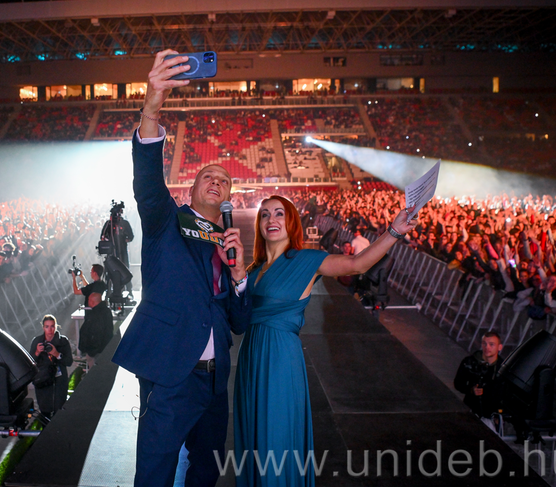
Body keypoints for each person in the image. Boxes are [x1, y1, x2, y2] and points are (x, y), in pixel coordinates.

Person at [112, 49, 251, 487]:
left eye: (224, 180)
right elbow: (147, 180)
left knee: (205, 472)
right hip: (172, 373)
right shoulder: (165, 220)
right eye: (209, 175)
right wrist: (152, 108)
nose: (217, 181)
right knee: (155, 473)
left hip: (214, 382)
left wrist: (239, 277)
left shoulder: (227, 244)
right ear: (191, 189)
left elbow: (239, 323)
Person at [234, 195, 417, 487]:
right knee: (255, 438)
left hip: (280, 360)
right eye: (265, 214)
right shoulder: (253, 269)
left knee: (276, 437)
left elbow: (357, 264)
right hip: (250, 361)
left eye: (279, 213)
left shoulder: (306, 260)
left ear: (292, 222)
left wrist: (393, 232)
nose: (271, 219)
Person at [454, 331, 504, 427]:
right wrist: (471, 390)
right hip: (471, 410)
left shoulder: (503, 368)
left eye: (491, 344)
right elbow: (458, 383)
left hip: (492, 415)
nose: (487, 347)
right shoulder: (469, 362)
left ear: (499, 347)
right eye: (484, 344)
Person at [29, 315, 73, 423]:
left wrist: (57, 354)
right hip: (43, 379)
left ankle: (58, 429)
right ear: (43, 327)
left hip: (59, 380)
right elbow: (30, 363)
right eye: (47, 326)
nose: (50, 330)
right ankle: (45, 430)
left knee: (59, 407)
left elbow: (69, 362)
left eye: (52, 326)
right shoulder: (37, 341)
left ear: (56, 326)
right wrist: (37, 352)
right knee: (44, 409)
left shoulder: (63, 341)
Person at [77, 280, 113, 369]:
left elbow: (96, 334)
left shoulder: (96, 315)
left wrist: (91, 352)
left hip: (96, 351)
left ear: (92, 302)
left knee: (94, 369)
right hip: (103, 348)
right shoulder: (106, 311)